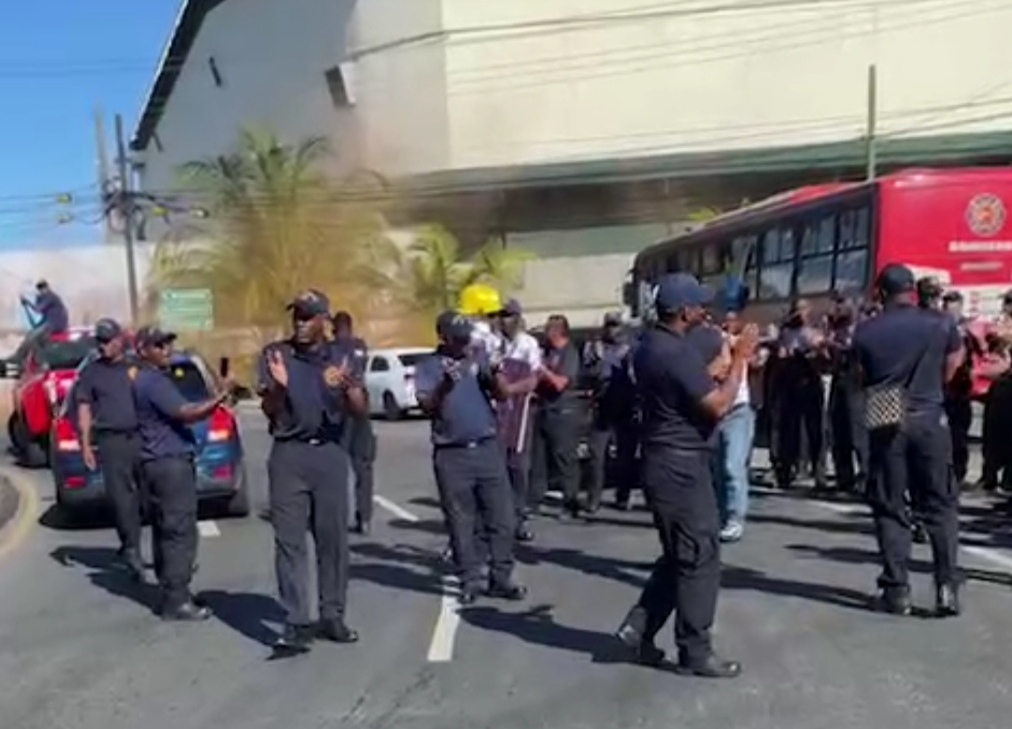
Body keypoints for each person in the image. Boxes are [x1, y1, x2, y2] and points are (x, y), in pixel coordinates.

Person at [615, 272, 757, 679]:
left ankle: (638, 629)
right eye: (696, 303)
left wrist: (718, 367)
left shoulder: (653, 346)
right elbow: (716, 406)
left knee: (680, 554)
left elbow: (688, 387)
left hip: (665, 461)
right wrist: (742, 358)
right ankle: (695, 649)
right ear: (682, 312)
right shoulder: (673, 352)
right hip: (680, 466)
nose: (702, 308)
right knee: (699, 557)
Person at [853, 264, 964, 616]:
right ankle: (946, 588)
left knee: (889, 504)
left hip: (886, 413)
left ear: (880, 292)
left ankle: (896, 590)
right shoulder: (941, 323)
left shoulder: (866, 331)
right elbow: (953, 365)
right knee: (940, 506)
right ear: (913, 290)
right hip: (930, 413)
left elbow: (861, 376)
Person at [258, 290, 365, 655]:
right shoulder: (276, 355)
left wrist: (348, 386)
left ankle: (332, 615)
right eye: (297, 317)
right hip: (289, 456)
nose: (300, 324)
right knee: (289, 543)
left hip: (330, 455)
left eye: (308, 317)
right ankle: (296, 622)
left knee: (332, 541)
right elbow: (269, 410)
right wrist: (279, 386)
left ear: (324, 321)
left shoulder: (342, 355)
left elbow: (360, 409)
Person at [415, 311, 526, 605]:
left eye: (467, 337)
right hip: (452, 454)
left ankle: (501, 577)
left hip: (487, 446)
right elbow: (426, 406)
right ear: (444, 337)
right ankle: (470, 579)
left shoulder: (477, 358)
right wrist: (445, 385)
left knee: (502, 517)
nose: (465, 343)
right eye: (459, 338)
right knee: (461, 521)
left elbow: (502, 396)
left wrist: (497, 370)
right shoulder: (428, 366)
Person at [133, 326, 232, 620]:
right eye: (159, 345)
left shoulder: (151, 379)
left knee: (166, 528)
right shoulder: (152, 382)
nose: (166, 349)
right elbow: (187, 412)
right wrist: (220, 396)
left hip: (159, 462)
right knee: (179, 529)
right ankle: (176, 599)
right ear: (144, 351)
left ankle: (172, 591)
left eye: (168, 344)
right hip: (169, 463)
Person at [75, 318, 144, 580]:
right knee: (121, 499)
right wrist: (85, 444)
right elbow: (83, 407)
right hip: (111, 441)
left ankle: (168, 555)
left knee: (150, 495)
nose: (103, 346)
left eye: (107, 341)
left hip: (142, 437)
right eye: (99, 342)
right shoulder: (92, 372)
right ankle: (131, 548)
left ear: (120, 340)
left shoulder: (136, 367)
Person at [583, 312, 638, 513]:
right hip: (601, 408)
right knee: (596, 456)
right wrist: (598, 360)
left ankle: (623, 495)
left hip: (625, 406)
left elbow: (637, 376)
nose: (612, 330)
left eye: (616, 326)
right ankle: (593, 499)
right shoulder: (594, 348)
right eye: (609, 326)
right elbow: (587, 375)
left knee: (626, 456)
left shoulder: (630, 348)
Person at [497, 299, 542, 542]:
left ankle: (519, 519)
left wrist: (510, 389)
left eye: (507, 315)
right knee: (497, 469)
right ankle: (499, 519)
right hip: (497, 414)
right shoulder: (494, 345)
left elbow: (534, 379)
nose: (503, 320)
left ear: (517, 317)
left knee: (518, 468)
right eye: (500, 316)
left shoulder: (528, 345)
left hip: (519, 414)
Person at [531, 315, 583, 519]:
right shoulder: (547, 352)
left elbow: (561, 383)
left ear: (559, 331)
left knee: (565, 459)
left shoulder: (569, 353)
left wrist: (542, 370)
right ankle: (533, 501)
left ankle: (571, 503)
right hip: (544, 410)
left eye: (549, 328)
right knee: (538, 458)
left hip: (564, 412)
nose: (546, 332)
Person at [774, 299, 828, 489]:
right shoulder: (787, 332)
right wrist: (787, 353)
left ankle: (819, 473)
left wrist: (815, 351)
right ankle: (787, 470)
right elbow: (780, 354)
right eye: (798, 310)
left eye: (804, 310)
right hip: (791, 383)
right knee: (790, 429)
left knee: (816, 429)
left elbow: (823, 354)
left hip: (810, 382)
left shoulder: (815, 331)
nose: (801, 314)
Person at [332, 310, 376, 535]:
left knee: (337, 468)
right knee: (364, 468)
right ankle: (364, 516)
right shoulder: (361, 346)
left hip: (339, 412)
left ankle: (337, 516)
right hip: (361, 410)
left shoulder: (330, 351)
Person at [715, 310, 755, 542]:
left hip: (738, 410)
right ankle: (721, 516)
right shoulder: (713, 342)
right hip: (715, 411)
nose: (726, 322)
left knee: (732, 466)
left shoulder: (741, 344)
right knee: (718, 469)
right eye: (723, 318)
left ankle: (735, 518)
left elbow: (745, 343)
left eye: (731, 319)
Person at [825, 293, 868, 493]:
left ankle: (866, 476)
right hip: (839, 377)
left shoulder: (863, 326)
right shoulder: (835, 326)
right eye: (837, 302)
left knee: (858, 430)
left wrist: (842, 348)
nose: (838, 307)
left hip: (857, 380)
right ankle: (844, 476)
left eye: (842, 302)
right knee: (837, 428)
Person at [12, 279, 70, 362]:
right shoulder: (44, 297)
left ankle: (29, 358)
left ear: (46, 288)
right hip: (49, 323)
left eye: (42, 290)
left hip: (57, 324)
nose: (41, 292)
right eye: (40, 290)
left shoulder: (51, 297)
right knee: (31, 334)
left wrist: (27, 302)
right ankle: (20, 356)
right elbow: (42, 314)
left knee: (34, 337)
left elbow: (38, 309)